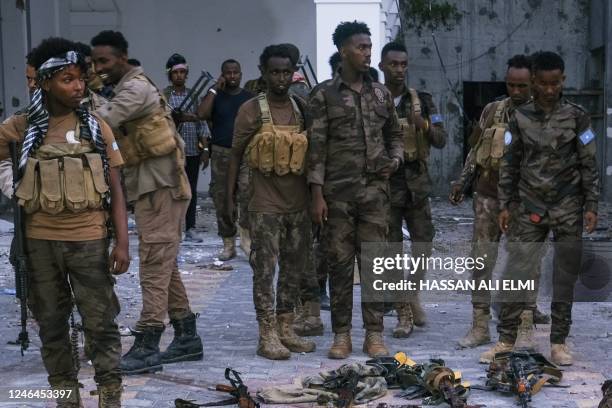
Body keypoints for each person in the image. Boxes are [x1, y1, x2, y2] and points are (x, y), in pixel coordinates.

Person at [0, 37, 129, 407]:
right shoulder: (19, 128)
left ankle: (110, 397)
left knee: (101, 325)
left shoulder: (95, 128)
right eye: (66, 79)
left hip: (89, 241)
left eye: (80, 79)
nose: (77, 87)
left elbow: (117, 189)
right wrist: (10, 180)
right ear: (44, 82)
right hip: (38, 245)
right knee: (53, 329)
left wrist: (121, 242)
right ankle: (65, 399)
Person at [90, 30, 203, 374]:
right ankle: (186, 337)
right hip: (152, 187)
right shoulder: (125, 86)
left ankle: (148, 341)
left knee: (154, 262)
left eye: (104, 61)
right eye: (95, 62)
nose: (99, 67)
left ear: (122, 57)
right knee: (163, 262)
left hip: (163, 187)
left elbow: (102, 122)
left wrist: (81, 96)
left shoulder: (135, 89)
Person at [480, 51, 599, 366]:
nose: (549, 90)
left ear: (563, 81)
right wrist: (505, 205)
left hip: (569, 207)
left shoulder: (578, 117)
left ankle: (559, 342)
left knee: (564, 275)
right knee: (517, 273)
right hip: (529, 208)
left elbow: (589, 163)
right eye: (543, 83)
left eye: (555, 83)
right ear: (533, 81)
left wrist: (592, 205)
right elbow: (510, 164)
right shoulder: (517, 119)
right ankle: (505, 340)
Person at [308, 21, 403, 359]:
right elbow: (315, 149)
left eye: (369, 46)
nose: (367, 53)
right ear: (342, 51)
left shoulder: (381, 94)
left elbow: (395, 134)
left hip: (375, 194)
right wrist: (316, 195)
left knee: (375, 263)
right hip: (337, 196)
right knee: (339, 264)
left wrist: (395, 158)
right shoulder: (323, 95)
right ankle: (342, 335)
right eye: (360, 47)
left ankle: (374, 335)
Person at [450, 55, 548, 349]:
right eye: (511, 85)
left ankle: (525, 324)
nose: (516, 91)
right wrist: (462, 182)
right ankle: (480, 324)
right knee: (481, 261)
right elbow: (476, 149)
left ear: (532, 83)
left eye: (522, 85)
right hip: (488, 196)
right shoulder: (493, 111)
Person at [226, 44, 316, 360]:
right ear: (264, 73)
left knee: (294, 268)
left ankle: (286, 327)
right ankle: (266, 333)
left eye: (285, 72)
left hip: (298, 204)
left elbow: (314, 156)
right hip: (263, 205)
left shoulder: (301, 107)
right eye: (274, 72)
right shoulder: (251, 110)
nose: (280, 78)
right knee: (264, 270)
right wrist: (229, 200)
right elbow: (235, 156)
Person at [378, 41, 447, 333]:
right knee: (391, 250)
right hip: (385, 187)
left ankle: (411, 293)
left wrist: (424, 125)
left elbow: (442, 139)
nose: (399, 70)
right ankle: (403, 312)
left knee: (423, 244)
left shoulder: (423, 100)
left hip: (417, 186)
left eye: (404, 64)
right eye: (393, 64)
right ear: (382, 66)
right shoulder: (372, 99)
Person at [197, 58, 252, 259]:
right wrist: (213, 89)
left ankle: (246, 239)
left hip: (245, 153)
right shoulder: (216, 95)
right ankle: (228, 243)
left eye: (235, 72)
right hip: (221, 153)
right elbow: (201, 113)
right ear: (222, 74)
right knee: (221, 197)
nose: (231, 76)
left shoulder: (249, 97)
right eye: (227, 73)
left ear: (241, 73)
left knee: (246, 194)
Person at [163, 53, 210, 242]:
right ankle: (172, 228)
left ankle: (190, 227)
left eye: (183, 72)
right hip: (170, 152)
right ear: (170, 74)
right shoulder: (164, 96)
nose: (180, 76)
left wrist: (205, 149)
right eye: (176, 72)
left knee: (190, 190)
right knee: (172, 190)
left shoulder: (194, 96)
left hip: (191, 151)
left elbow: (202, 123)